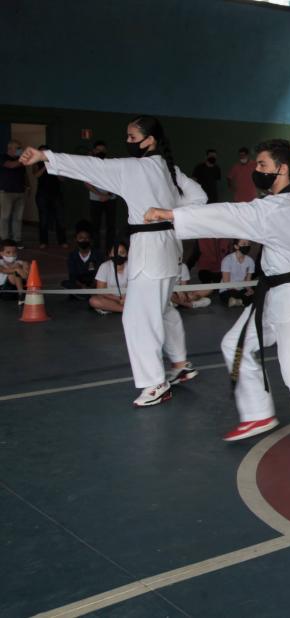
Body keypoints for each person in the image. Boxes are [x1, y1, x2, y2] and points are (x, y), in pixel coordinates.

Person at [145, 138, 290, 451]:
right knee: (235, 344)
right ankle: (259, 412)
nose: (256, 171)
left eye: (262, 165)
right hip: (273, 295)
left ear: (281, 169)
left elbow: (228, 215)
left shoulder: (278, 209)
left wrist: (172, 215)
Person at [20, 115, 207, 407]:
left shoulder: (135, 169)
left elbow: (92, 166)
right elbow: (199, 196)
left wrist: (46, 156)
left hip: (149, 251)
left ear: (150, 141)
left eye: (132, 137)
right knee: (162, 308)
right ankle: (181, 364)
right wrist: (171, 214)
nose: (128, 142)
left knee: (137, 317)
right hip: (170, 249)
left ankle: (155, 383)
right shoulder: (170, 169)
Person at [34, 145, 68, 248]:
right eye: (41, 152)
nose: (43, 154)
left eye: (45, 152)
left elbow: (63, 179)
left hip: (56, 194)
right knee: (43, 219)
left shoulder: (56, 163)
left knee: (60, 218)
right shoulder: (36, 163)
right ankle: (43, 242)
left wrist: (54, 168)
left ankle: (62, 241)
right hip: (42, 194)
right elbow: (36, 175)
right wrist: (45, 166)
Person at [85, 141, 117, 252]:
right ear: (94, 151)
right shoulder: (90, 165)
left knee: (111, 226)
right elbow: (87, 183)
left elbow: (117, 182)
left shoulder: (111, 164)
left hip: (111, 199)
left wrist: (108, 195)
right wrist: (100, 195)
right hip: (95, 199)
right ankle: (96, 251)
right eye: (98, 150)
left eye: (103, 150)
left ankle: (110, 250)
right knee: (95, 227)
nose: (101, 152)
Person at [89, 241, 129, 315]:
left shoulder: (131, 267)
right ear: (110, 254)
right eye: (115, 253)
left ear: (127, 254)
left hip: (129, 299)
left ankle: (113, 308)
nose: (118, 255)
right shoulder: (104, 266)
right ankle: (125, 310)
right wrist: (118, 299)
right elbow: (100, 291)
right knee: (93, 301)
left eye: (122, 253)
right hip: (110, 299)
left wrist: (126, 298)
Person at [1, 140, 27, 247]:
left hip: (20, 192)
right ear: (10, 148)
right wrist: (24, 158)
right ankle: (4, 240)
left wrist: (28, 186)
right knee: (5, 217)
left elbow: (24, 175)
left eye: (20, 148)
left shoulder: (20, 160)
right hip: (6, 192)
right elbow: (11, 165)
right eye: (18, 148)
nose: (20, 150)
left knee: (18, 217)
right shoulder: (2, 157)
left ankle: (17, 240)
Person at [63, 225, 104, 290]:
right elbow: (72, 275)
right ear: (76, 239)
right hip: (79, 285)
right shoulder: (72, 256)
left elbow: (100, 274)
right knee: (66, 283)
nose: (84, 240)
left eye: (86, 238)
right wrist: (82, 287)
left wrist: (91, 287)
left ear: (90, 240)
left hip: (94, 284)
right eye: (81, 238)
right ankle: (83, 294)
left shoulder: (98, 254)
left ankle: (85, 295)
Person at [219, 239, 256, 307]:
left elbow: (248, 282)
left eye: (248, 244)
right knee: (230, 294)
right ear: (236, 246)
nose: (247, 246)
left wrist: (250, 290)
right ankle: (241, 301)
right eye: (244, 244)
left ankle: (238, 301)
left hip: (241, 289)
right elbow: (226, 283)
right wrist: (237, 292)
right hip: (228, 290)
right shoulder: (227, 260)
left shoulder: (250, 261)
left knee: (256, 293)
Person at [0, 238, 29, 303]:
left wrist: (25, 265)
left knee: (21, 265)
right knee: (14, 271)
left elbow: (27, 276)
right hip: (5, 291)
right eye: (8, 252)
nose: (12, 255)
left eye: (14, 252)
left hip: (19, 289)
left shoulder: (20, 262)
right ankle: (21, 294)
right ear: (1, 253)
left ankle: (22, 294)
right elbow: (4, 270)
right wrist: (17, 269)